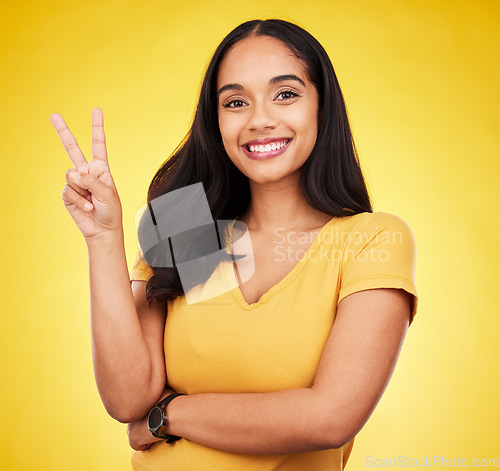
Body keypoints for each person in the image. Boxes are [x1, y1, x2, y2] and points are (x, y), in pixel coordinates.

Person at [51, 18, 418, 471]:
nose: (260, 120)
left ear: (322, 106)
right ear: (216, 120)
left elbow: (330, 419)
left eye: (285, 94)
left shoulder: (371, 240)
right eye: (236, 101)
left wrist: (170, 414)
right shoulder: (183, 227)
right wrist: (104, 239)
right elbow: (129, 399)